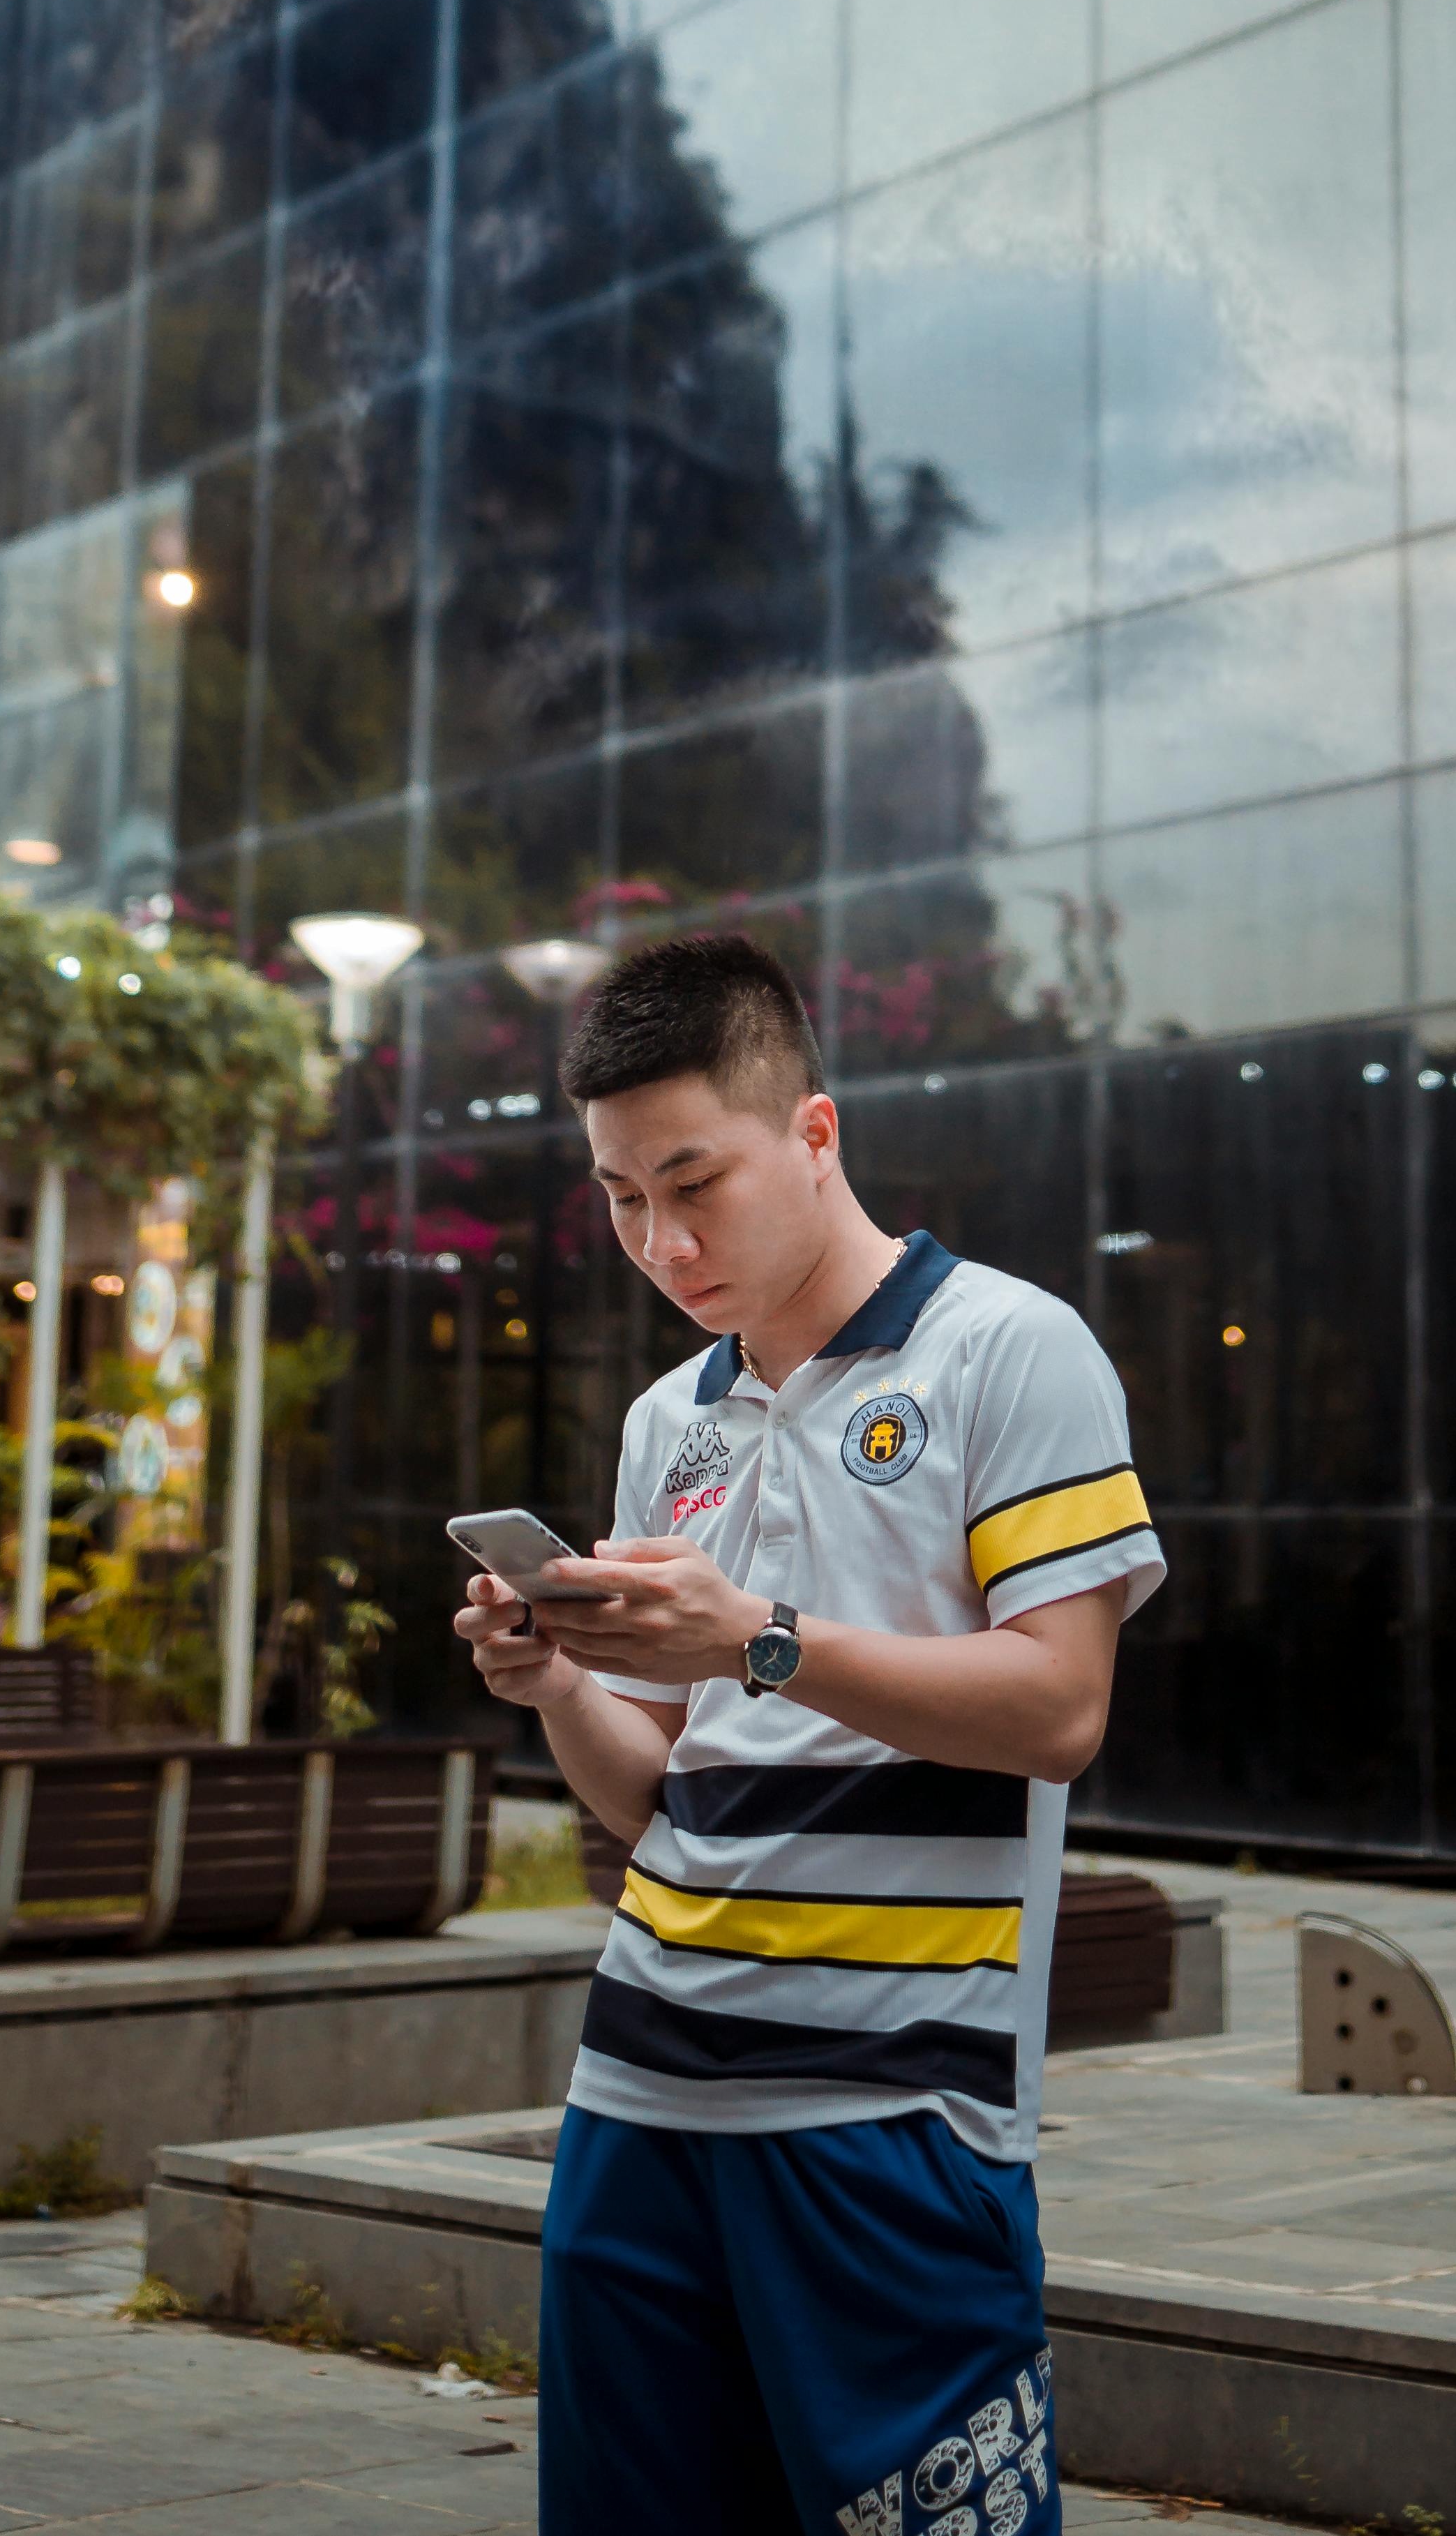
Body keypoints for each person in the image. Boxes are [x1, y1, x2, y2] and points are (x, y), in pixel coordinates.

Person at [453, 929, 1162, 2536]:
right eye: (623, 1196)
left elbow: (1059, 1708)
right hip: (637, 2087)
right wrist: (553, 1681)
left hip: (892, 2104)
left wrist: (755, 1637)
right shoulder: (669, 1418)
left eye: (693, 1180)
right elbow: (651, 1793)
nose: (660, 1237)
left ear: (816, 1131)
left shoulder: (1007, 1346)